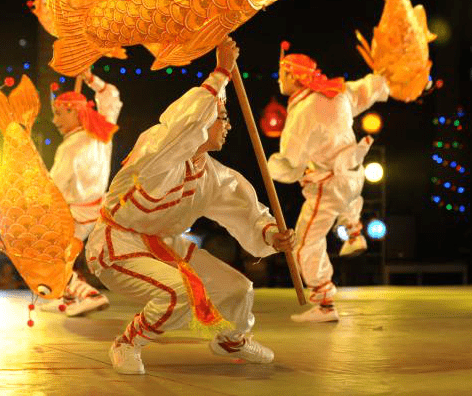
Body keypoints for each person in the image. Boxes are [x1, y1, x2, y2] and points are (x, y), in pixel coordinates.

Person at [87, 39, 296, 375]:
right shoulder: (155, 153)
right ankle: (128, 342)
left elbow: (247, 211)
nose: (227, 125)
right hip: (117, 244)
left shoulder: (214, 175)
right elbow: (180, 127)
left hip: (164, 246)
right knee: (177, 292)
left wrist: (272, 235)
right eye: (221, 118)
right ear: (201, 120)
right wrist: (220, 74)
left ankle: (230, 339)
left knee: (238, 288)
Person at [267, 48, 389, 322]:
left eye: (282, 75)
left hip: (330, 182)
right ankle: (354, 231)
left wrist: (273, 166)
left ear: (294, 77)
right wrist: (386, 75)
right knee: (346, 197)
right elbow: (368, 89)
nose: (279, 81)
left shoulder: (303, 111)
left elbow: (292, 161)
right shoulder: (337, 92)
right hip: (354, 174)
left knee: (304, 242)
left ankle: (324, 302)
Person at [41, 69, 121, 316]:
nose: (55, 121)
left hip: (76, 212)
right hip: (97, 208)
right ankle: (66, 297)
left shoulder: (71, 146)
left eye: (59, 114)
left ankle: (89, 294)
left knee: (48, 257)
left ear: (74, 111)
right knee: (62, 257)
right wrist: (90, 78)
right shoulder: (101, 132)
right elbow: (112, 95)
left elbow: (54, 188)